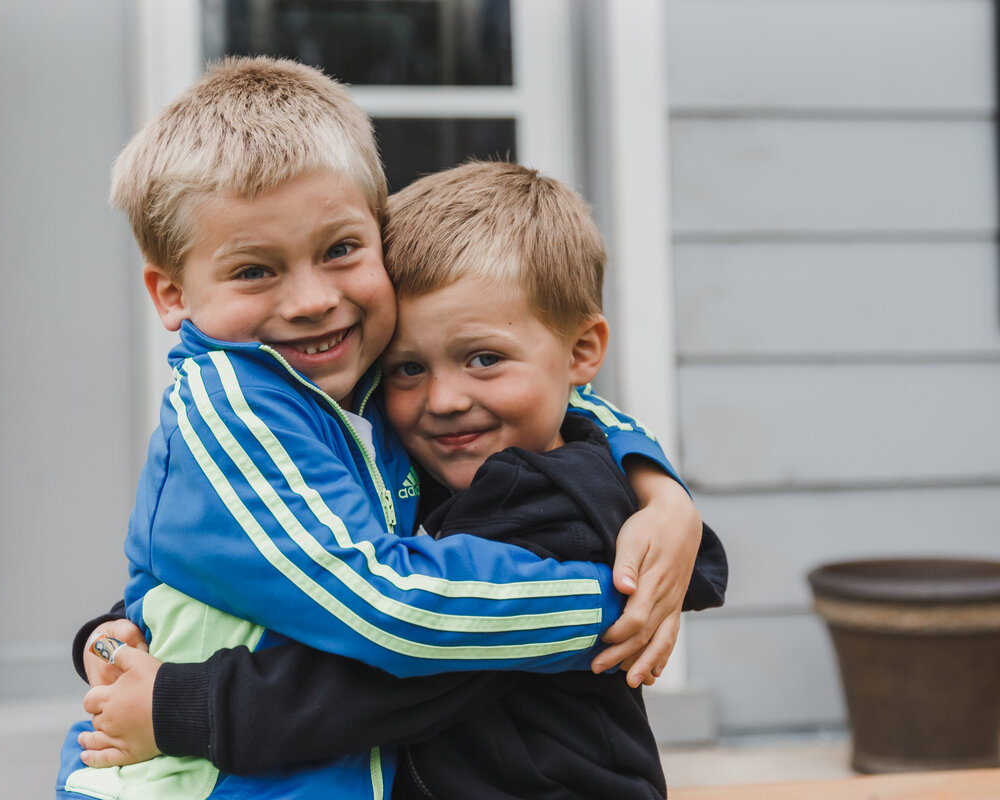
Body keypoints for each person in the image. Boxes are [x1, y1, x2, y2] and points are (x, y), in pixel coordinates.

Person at [57, 57, 703, 800]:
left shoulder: (351, 381)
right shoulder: (243, 404)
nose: (310, 300)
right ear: (171, 294)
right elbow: (383, 609)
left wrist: (656, 485)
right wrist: (609, 607)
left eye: (339, 251)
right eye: (255, 271)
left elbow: (561, 397)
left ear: (376, 229)